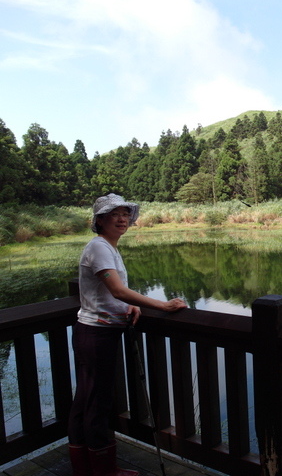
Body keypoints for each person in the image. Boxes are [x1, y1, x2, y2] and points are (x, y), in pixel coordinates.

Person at [68, 194, 187, 476]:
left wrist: (129, 305)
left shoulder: (107, 247)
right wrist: (163, 304)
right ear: (99, 220)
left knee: (85, 399)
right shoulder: (99, 248)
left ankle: (84, 467)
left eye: (125, 214)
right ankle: (104, 470)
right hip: (96, 335)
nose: (122, 219)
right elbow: (117, 290)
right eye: (114, 214)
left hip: (95, 332)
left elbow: (112, 293)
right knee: (96, 403)